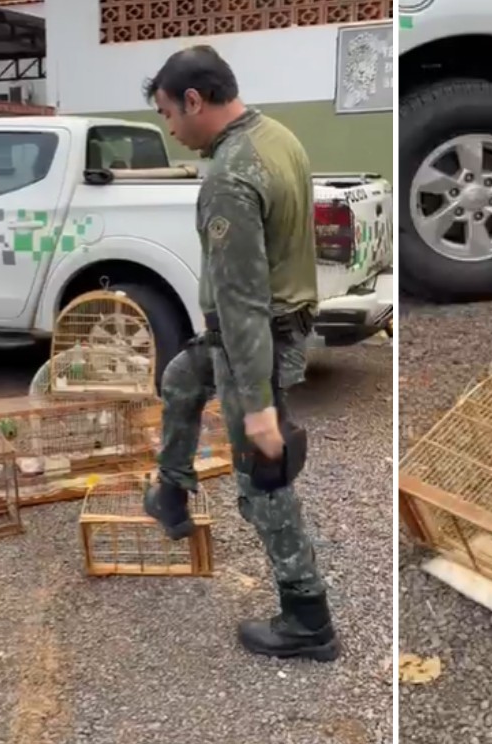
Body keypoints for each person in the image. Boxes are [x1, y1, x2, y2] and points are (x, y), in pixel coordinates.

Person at [139, 44, 338, 663]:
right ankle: (171, 490)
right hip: (263, 330)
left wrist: (256, 406)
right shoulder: (276, 135)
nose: (169, 129)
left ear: (194, 101)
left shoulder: (230, 176)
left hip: (254, 340)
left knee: (263, 484)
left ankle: (308, 618)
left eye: (168, 114)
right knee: (178, 378)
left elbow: (245, 301)